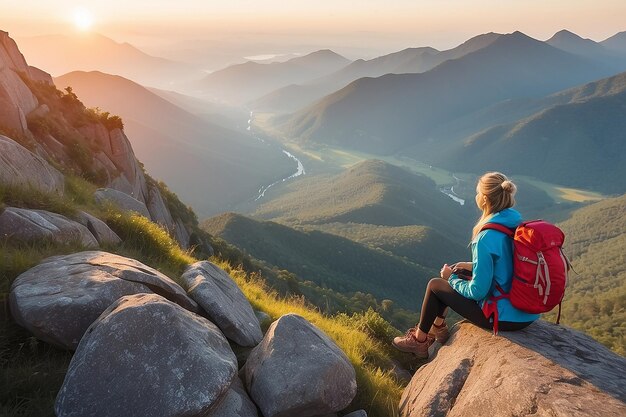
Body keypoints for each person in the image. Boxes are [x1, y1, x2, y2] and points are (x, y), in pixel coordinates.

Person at [392, 172, 539, 358]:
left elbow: (478, 291)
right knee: (459, 271)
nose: (476, 196)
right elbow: (507, 262)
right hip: (526, 314)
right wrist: (469, 266)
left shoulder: (485, 237)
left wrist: (450, 278)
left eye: (478, 193)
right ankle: (438, 328)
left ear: (484, 199)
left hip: (503, 318)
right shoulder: (518, 224)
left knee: (436, 285)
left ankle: (420, 341)